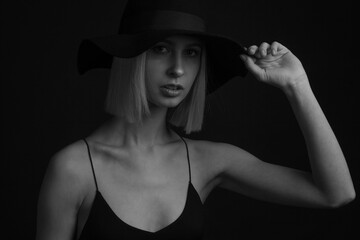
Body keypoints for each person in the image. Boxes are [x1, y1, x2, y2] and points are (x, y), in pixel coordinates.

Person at [36, 0, 355, 239]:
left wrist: (297, 86)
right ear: (130, 58)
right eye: (160, 49)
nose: (177, 68)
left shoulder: (208, 161)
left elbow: (336, 194)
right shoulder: (73, 168)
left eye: (191, 53)